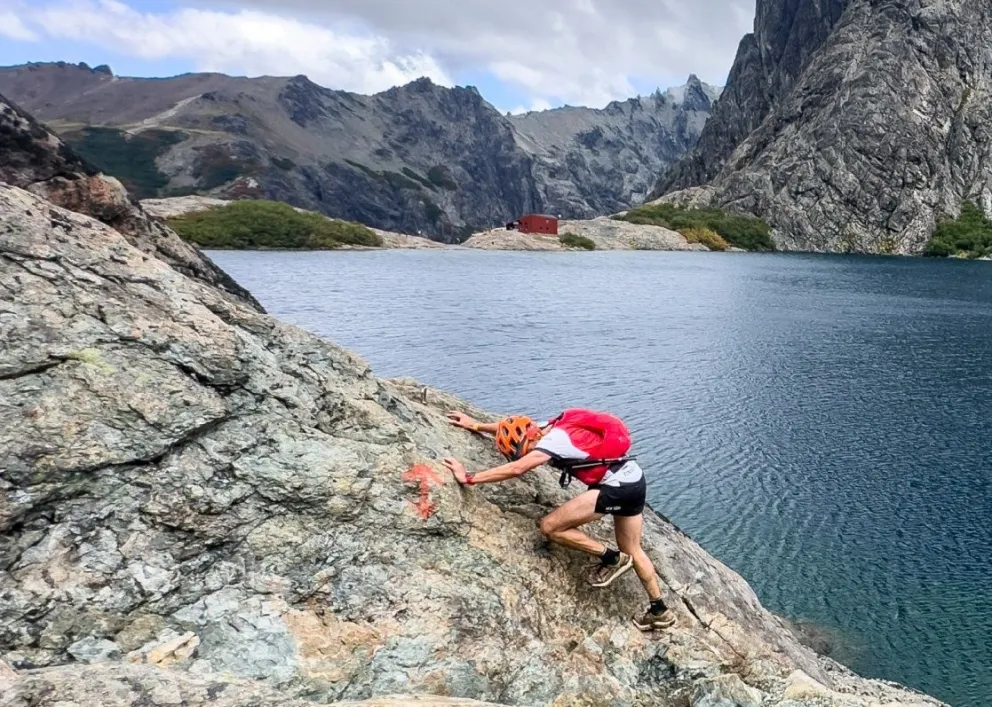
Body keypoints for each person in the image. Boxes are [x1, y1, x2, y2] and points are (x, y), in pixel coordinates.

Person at [444, 408, 677, 631]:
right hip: (634, 479)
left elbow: (517, 469)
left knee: (550, 527)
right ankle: (659, 611)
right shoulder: (546, 428)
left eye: (524, 449)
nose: (530, 452)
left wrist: (469, 478)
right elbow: (506, 428)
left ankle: (613, 558)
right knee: (635, 549)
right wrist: (474, 424)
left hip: (615, 488)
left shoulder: (551, 443)